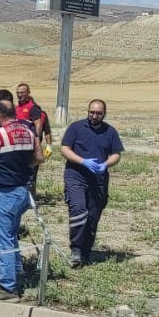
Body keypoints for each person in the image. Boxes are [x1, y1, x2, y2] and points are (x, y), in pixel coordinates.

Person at [0, 92, 41, 297]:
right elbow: (39, 157)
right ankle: (9, 275)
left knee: (2, 240)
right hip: (22, 191)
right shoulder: (29, 132)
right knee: (11, 237)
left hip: (3, 193)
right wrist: (22, 167)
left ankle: (8, 287)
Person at [60, 100, 124, 267]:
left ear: (104, 114)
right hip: (76, 175)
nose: (94, 116)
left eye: (98, 113)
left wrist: (106, 164)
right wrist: (82, 161)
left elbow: (116, 154)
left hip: (98, 180)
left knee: (93, 217)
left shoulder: (110, 131)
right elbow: (65, 149)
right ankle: (75, 250)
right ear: (88, 111)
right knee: (79, 210)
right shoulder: (76, 128)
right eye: (92, 112)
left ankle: (85, 252)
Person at [15, 83, 52, 194]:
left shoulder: (33, 108)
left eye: (22, 92)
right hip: (18, 145)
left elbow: (40, 127)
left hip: (30, 146)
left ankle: (31, 197)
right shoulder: (17, 108)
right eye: (18, 92)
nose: (19, 95)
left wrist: (44, 145)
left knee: (31, 172)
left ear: (28, 93)